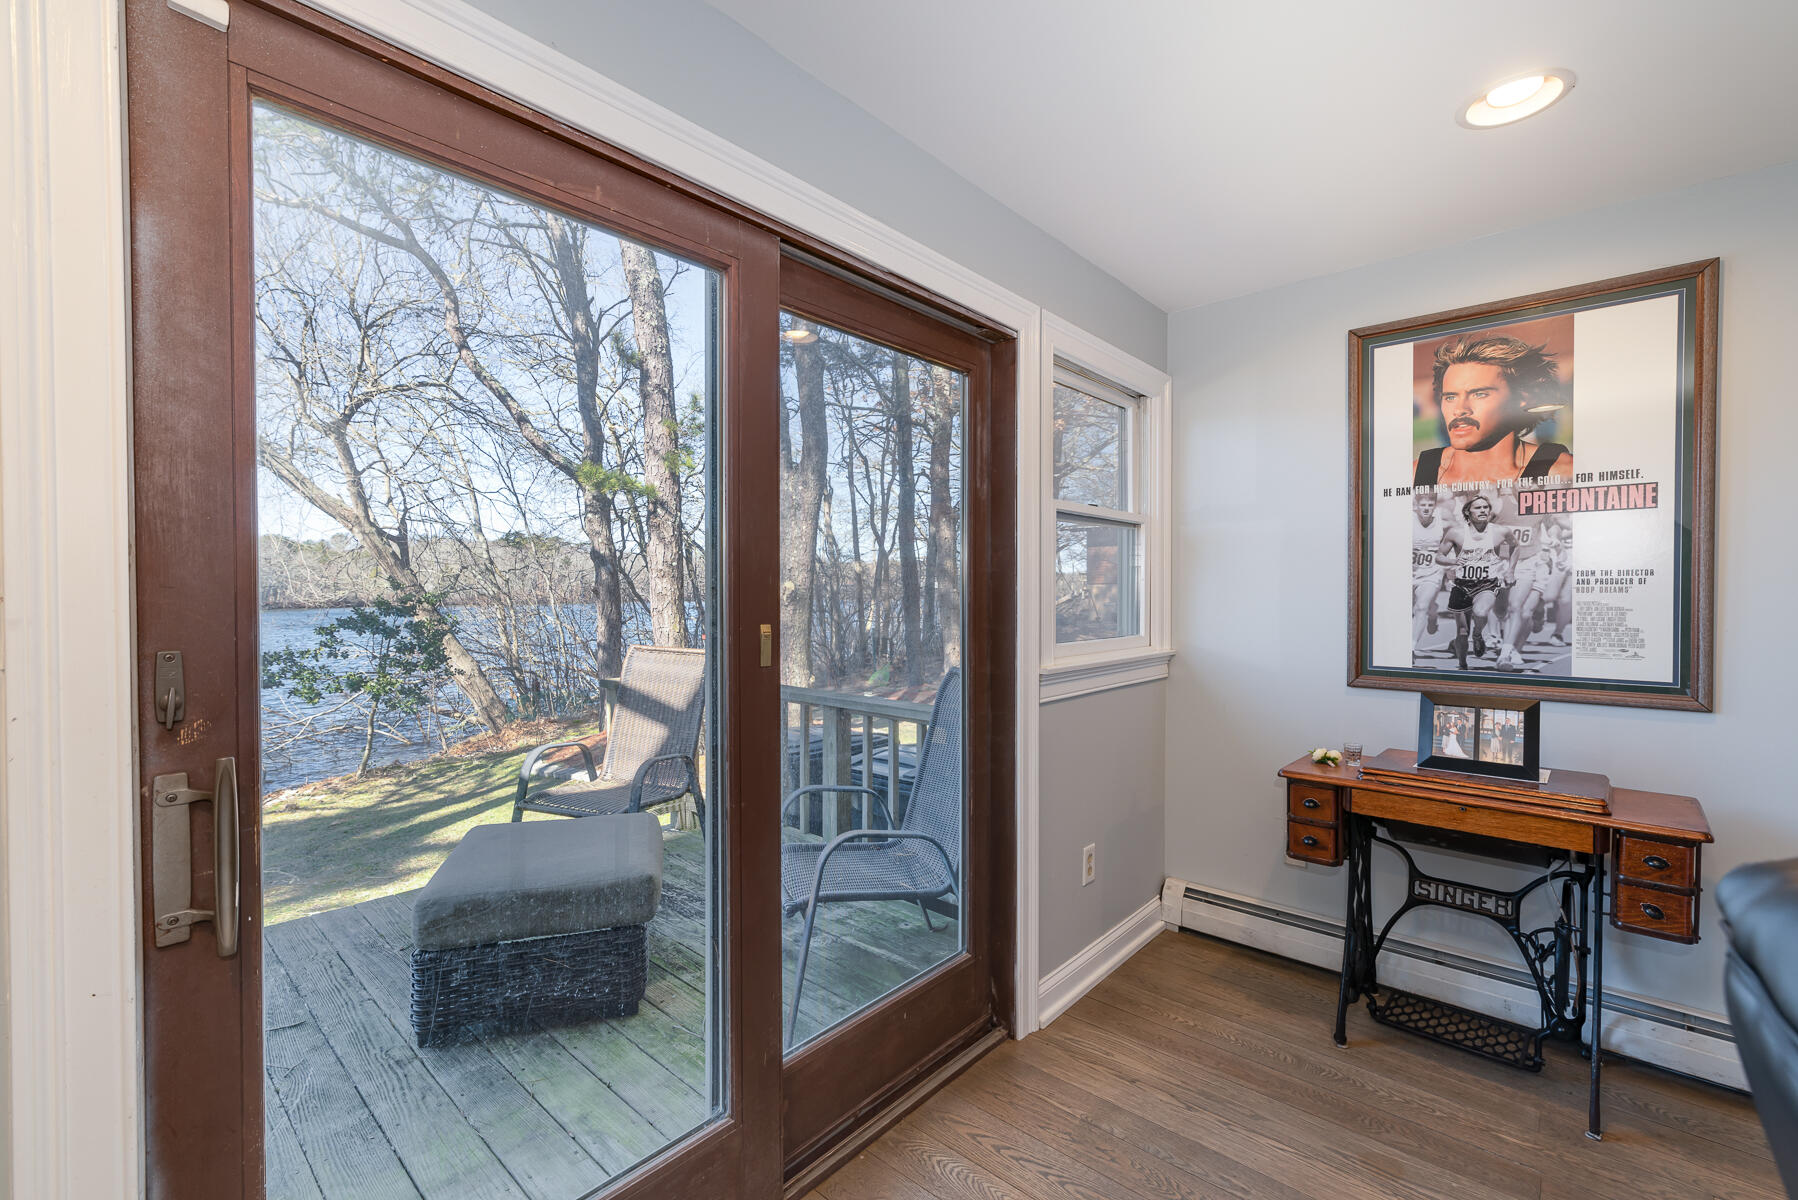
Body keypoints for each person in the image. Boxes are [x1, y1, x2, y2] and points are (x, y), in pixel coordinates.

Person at [1414, 335, 1573, 487]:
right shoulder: (1415, 476)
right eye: (1450, 397)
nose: (1459, 410)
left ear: (1522, 398)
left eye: (1479, 394)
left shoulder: (1563, 473)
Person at [1435, 494, 1517, 671]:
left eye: (1485, 507)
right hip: (1461, 584)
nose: (1483, 511)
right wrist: (1452, 562)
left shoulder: (1500, 531)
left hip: (1487, 583)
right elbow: (1439, 556)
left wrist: (1510, 570)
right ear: (1468, 512)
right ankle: (1463, 666)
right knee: (1462, 632)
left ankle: (1478, 634)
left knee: (1480, 612)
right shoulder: (1456, 533)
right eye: (1478, 508)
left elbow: (1515, 545)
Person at [1498, 513, 1571, 670]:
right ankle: (1538, 612)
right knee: (1512, 610)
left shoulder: (1550, 524)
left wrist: (1556, 543)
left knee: (1525, 612)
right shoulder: (1524, 523)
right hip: (1524, 565)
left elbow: (1556, 531)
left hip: (1542, 568)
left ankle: (1515, 649)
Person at [1411, 490, 1449, 655]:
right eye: (1423, 505)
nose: (1426, 508)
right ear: (1416, 506)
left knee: (1421, 607)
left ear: (1435, 506)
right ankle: (1433, 614)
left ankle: (1410, 648)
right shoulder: (1406, 519)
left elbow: (1458, 533)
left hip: (1432, 573)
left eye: (1430, 505)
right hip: (1408, 572)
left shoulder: (1442, 518)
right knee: (1418, 607)